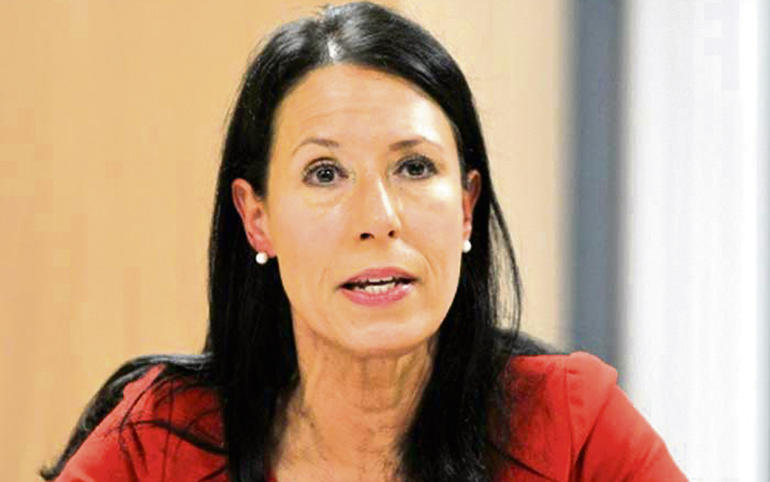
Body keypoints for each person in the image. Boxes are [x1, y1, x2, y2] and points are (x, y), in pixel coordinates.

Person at [41, 2, 686, 481]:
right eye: (325, 173)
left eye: (414, 167)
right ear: (257, 217)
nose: (378, 218)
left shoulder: (572, 428)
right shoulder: (159, 442)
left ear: (466, 207)